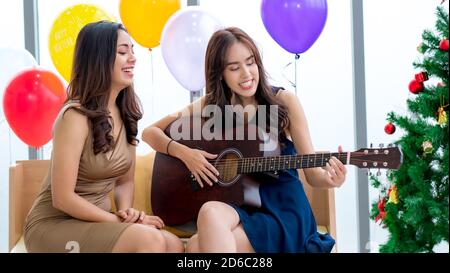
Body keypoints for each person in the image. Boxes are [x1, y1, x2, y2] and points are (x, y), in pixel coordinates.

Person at [142, 27, 346, 253]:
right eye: (234, 68)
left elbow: (313, 174)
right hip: (242, 206)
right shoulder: (210, 105)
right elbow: (150, 132)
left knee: (197, 247)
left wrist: (330, 180)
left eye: (250, 63)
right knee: (209, 212)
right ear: (220, 73)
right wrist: (187, 154)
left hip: (283, 210)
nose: (247, 74)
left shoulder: (284, 101)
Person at [24, 21, 183, 253]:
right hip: (54, 224)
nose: (132, 58)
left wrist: (127, 212)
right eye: (122, 52)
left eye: (132, 50)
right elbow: (63, 199)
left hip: (98, 220)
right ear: (99, 59)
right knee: (150, 240)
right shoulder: (74, 116)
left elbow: (124, 181)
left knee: (173, 243)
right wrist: (120, 223)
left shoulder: (127, 112)